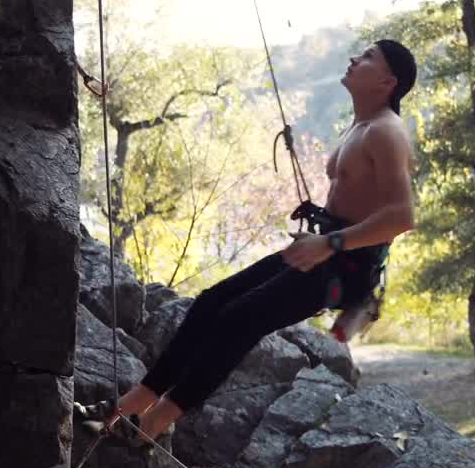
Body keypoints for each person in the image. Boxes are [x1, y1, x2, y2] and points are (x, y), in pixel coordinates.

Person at [93, 39, 417, 442]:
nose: (355, 58)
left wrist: (329, 242)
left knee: (239, 319)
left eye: (368, 57)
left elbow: (402, 217)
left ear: (387, 81)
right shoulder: (362, 125)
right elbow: (362, 200)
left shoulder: (388, 132)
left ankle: (151, 426)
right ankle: (127, 407)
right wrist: (323, 225)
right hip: (328, 252)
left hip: (345, 268)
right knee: (213, 302)